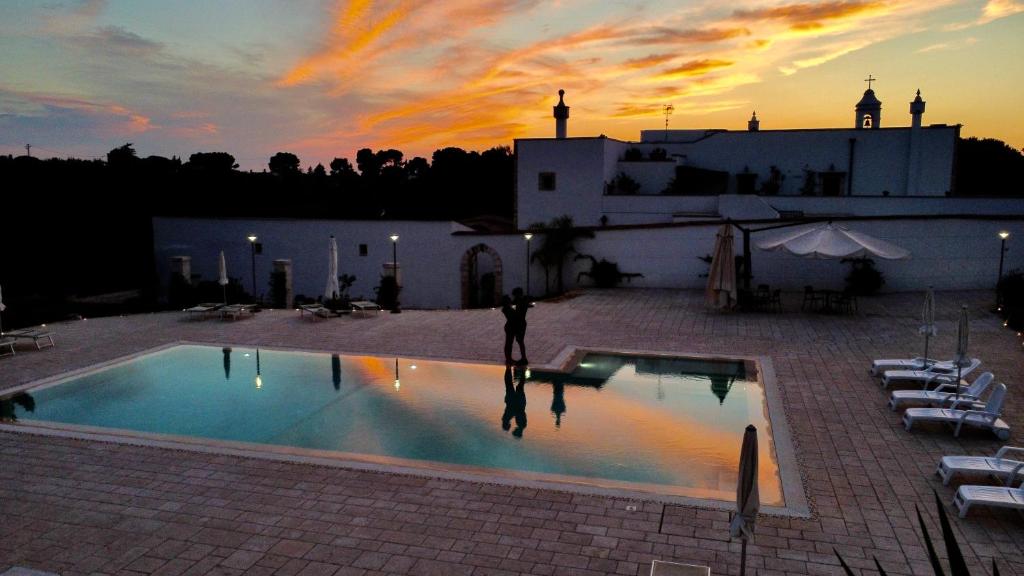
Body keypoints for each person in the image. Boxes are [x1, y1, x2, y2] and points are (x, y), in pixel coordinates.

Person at [511, 287, 529, 365]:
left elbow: (519, 314)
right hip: (521, 323)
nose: (514, 297)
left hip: (520, 323)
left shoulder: (521, 302)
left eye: (515, 295)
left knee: (520, 341)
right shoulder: (522, 301)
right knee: (520, 341)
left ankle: (524, 358)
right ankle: (523, 358)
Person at [500, 294, 517, 365]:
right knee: (508, 343)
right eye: (509, 299)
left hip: (510, 326)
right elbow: (512, 317)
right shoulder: (507, 309)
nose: (510, 300)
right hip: (510, 327)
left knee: (509, 343)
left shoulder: (507, 308)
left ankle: (509, 358)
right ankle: (508, 359)